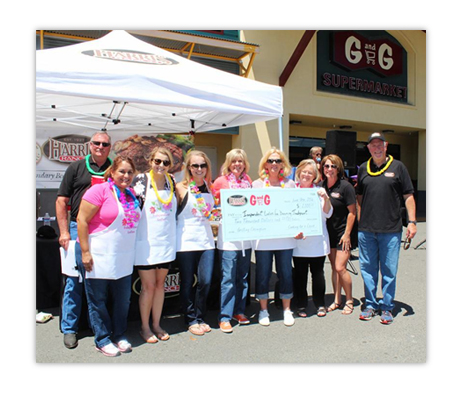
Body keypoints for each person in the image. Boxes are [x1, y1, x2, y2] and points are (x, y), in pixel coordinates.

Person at [76, 156, 141, 357]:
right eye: (122, 171)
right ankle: (102, 338)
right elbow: (82, 219)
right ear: (112, 172)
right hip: (99, 254)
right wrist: (85, 252)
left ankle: (119, 334)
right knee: (98, 299)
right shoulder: (99, 191)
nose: (126, 176)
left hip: (123, 256)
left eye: (130, 172)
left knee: (123, 300)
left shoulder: (131, 195)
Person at [56, 132, 112, 349]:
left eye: (104, 144)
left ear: (110, 147)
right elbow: (61, 201)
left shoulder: (113, 169)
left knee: (99, 280)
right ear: (90, 146)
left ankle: (94, 324)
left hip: (103, 231)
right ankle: (69, 328)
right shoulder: (76, 168)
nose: (100, 146)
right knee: (73, 281)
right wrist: (64, 232)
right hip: (76, 228)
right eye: (96, 143)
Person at [356, 132, 417, 324]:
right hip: (366, 230)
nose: (376, 148)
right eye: (373, 145)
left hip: (390, 229)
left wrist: (413, 221)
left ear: (386, 145)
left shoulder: (398, 167)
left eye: (379, 144)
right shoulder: (364, 168)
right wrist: (360, 220)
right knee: (368, 269)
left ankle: (387, 307)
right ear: (368, 148)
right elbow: (359, 197)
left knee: (389, 270)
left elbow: (408, 196)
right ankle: (371, 304)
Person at [132, 147, 176, 343]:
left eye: (165, 162)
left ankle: (157, 324)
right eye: (157, 161)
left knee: (160, 286)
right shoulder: (141, 180)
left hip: (166, 242)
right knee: (148, 287)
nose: (161, 165)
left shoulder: (171, 181)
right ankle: (144, 327)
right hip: (145, 243)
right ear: (151, 161)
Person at [252, 147, 297, 327]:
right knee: (262, 275)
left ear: (283, 164)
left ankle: (287, 309)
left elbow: (296, 211)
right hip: (263, 240)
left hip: (285, 239)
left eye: (278, 161)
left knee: (285, 274)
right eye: (271, 161)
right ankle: (263, 309)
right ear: (265, 163)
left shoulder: (291, 184)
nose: (274, 164)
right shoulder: (256, 185)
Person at [211, 149, 253, 333]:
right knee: (227, 278)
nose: (238, 164)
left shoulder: (249, 181)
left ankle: (239, 311)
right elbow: (213, 207)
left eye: (241, 161)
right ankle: (224, 316)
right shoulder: (221, 182)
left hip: (246, 237)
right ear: (229, 163)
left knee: (242, 277)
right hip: (228, 238)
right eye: (234, 161)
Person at [176, 150, 216, 336]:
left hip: (207, 241)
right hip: (185, 242)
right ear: (189, 168)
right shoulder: (180, 188)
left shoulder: (210, 187)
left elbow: (212, 214)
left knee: (206, 281)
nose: (199, 169)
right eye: (195, 165)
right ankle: (190, 319)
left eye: (203, 165)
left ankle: (200, 316)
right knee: (187, 283)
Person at [292, 159, 333, 318]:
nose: (307, 175)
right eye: (305, 171)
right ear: (299, 172)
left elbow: (328, 213)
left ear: (315, 176)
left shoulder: (319, 192)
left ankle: (320, 304)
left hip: (317, 242)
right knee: (300, 275)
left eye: (311, 173)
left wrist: (327, 198)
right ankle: (301, 304)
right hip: (298, 242)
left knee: (318, 274)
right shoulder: (291, 192)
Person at [321, 154, 356, 315]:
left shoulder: (346, 186)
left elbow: (352, 213)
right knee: (334, 269)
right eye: (327, 166)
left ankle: (349, 300)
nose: (329, 169)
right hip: (329, 234)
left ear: (338, 168)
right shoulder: (321, 187)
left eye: (333, 166)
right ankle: (337, 300)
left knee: (340, 267)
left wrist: (347, 234)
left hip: (343, 233)